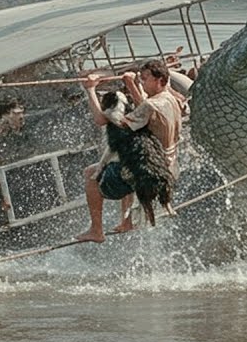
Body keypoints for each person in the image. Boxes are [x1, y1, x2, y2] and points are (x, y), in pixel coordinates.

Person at [75, 58, 182, 243]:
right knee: (129, 158)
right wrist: (130, 84)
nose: (142, 82)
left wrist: (90, 89)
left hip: (147, 171)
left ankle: (96, 230)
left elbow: (102, 120)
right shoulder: (170, 99)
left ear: (160, 80)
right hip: (170, 167)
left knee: (90, 174)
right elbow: (146, 109)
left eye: (145, 79)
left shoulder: (151, 105)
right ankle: (126, 221)